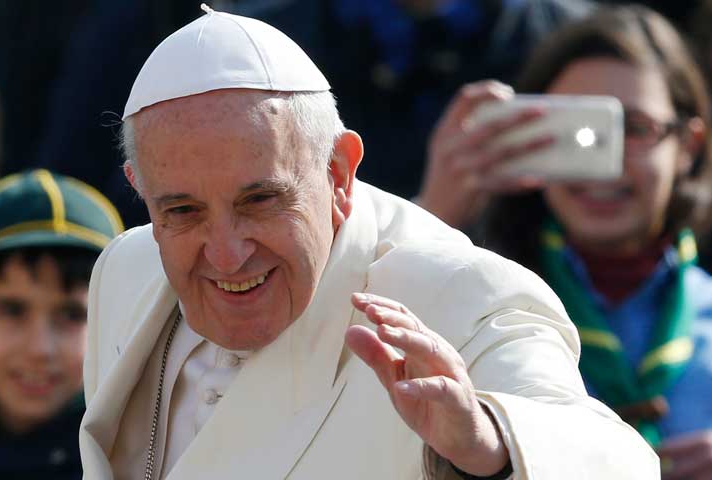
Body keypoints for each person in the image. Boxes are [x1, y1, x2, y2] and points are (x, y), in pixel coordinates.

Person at [79, 5, 657, 479]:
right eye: (182, 210)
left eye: (261, 201)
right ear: (141, 191)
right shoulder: (124, 271)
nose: (227, 253)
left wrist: (489, 444)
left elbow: (617, 462)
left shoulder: (458, 293)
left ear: (339, 173)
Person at [418, 5, 712, 479]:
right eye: (578, 129)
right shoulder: (476, 307)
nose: (606, 161)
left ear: (688, 148)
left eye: (635, 129)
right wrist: (431, 216)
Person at [0, 169, 123, 479]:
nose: (40, 348)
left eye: (72, 314)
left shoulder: (139, 453)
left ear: (118, 324)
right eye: (12, 310)